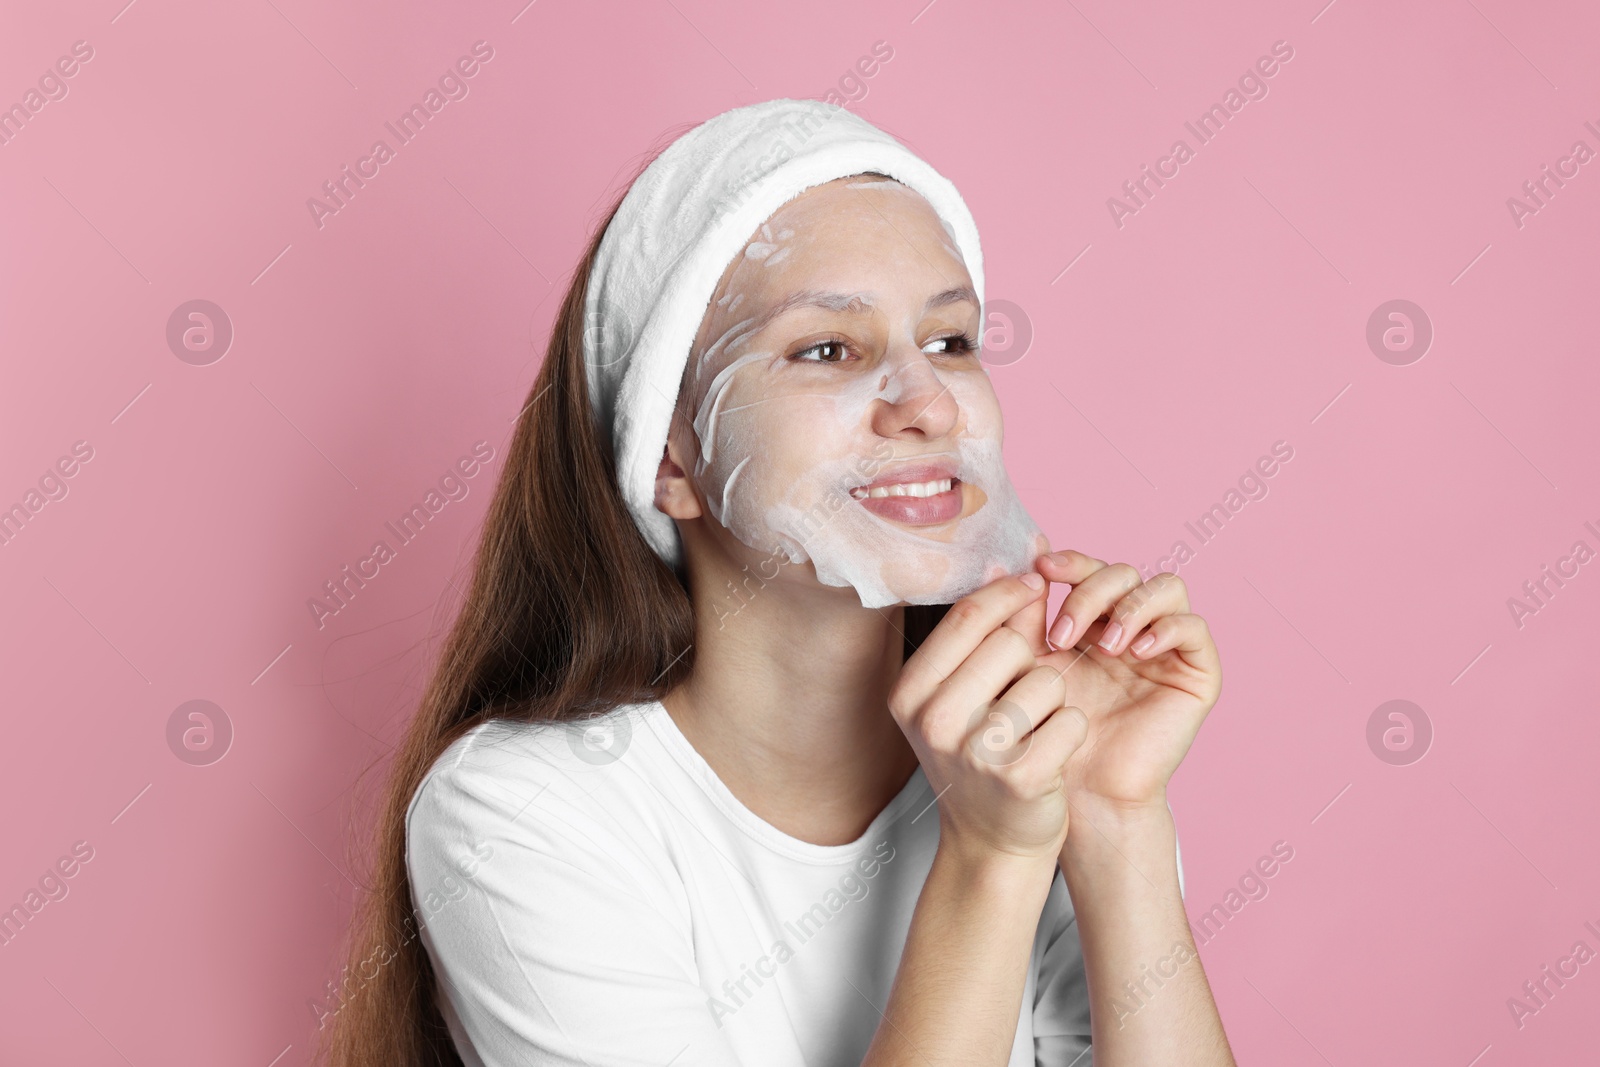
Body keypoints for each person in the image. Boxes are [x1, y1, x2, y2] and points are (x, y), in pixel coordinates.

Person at [322, 99, 1233, 1067]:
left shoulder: (1039, 766)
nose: (926, 402)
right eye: (826, 349)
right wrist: (991, 858)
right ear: (670, 459)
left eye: (952, 340)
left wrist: (1118, 820)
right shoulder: (520, 817)